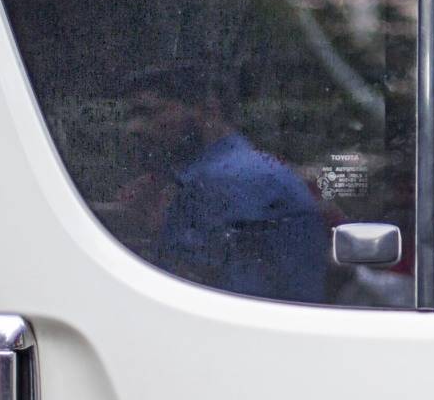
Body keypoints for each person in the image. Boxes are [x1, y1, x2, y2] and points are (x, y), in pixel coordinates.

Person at [115, 63, 330, 302]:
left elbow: (202, 294)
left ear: (208, 110)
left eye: (149, 112)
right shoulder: (234, 170)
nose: (133, 128)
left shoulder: (227, 181)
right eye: (131, 116)